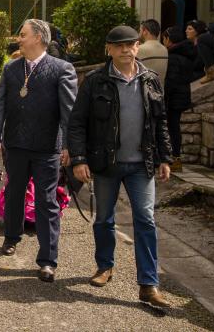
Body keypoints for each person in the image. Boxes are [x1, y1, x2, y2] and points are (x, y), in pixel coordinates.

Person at [68, 25, 173, 309]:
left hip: (142, 164)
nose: (128, 50)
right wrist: (79, 159)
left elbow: (160, 121)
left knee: (146, 220)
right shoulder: (95, 81)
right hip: (106, 163)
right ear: (110, 49)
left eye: (132, 45)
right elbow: (77, 123)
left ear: (138, 47)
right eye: (121, 46)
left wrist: (165, 158)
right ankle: (105, 266)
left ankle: (149, 284)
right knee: (104, 218)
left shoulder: (150, 80)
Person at [0, 19, 77, 282]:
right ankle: (11, 236)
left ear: (38, 38)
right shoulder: (12, 68)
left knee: (46, 201)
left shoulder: (62, 69)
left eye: (23, 34)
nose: (19, 38)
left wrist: (69, 146)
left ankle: (48, 259)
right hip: (14, 145)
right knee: (14, 193)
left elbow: (68, 111)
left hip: (46, 147)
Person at [162, 26, 196, 171]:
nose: (163, 41)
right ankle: (175, 159)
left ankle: (174, 160)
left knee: (172, 128)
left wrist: (164, 97)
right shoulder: (186, 55)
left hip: (174, 98)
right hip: (182, 95)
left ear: (169, 39)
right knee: (174, 127)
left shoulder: (173, 57)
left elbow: (171, 81)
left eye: (164, 38)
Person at [137, 19, 168, 84]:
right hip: (160, 91)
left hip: (143, 92)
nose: (139, 33)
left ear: (145, 31)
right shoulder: (164, 49)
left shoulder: (140, 49)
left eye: (140, 31)